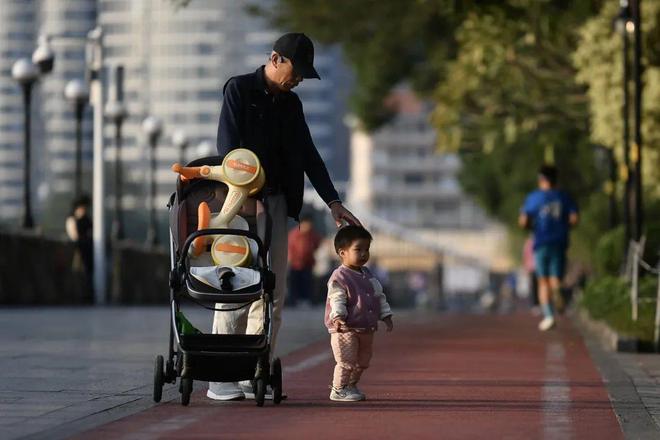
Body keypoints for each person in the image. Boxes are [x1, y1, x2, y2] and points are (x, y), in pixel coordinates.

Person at [208, 33, 361, 401]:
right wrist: (247, 194)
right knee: (237, 285)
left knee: (273, 290)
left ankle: (255, 370)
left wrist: (333, 201)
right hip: (239, 202)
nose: (298, 80)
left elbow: (308, 154)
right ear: (276, 59)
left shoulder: (291, 105)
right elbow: (227, 150)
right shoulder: (239, 90)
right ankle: (220, 376)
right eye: (296, 71)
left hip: (276, 204)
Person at [325, 225, 393, 402]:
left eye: (366, 249)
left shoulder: (368, 274)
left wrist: (385, 314)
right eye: (358, 249)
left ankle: (351, 385)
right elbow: (336, 298)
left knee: (363, 361)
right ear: (342, 253)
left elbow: (378, 295)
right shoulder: (339, 277)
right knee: (346, 361)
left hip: (366, 327)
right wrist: (338, 317)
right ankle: (338, 389)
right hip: (345, 328)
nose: (364, 254)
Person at [519, 165, 578, 331]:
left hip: (540, 242)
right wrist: (563, 225)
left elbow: (524, 221)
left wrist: (530, 225)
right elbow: (574, 219)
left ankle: (549, 316)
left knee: (542, 281)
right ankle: (558, 290)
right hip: (560, 241)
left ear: (541, 180)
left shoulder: (534, 198)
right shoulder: (564, 197)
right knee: (555, 278)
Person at [287, 213, 322, 307]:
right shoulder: (294, 234)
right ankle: (293, 301)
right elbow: (290, 248)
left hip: (308, 263)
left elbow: (317, 244)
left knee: (308, 283)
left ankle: (308, 301)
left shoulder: (313, 234)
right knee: (294, 284)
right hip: (295, 264)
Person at [65, 194, 93, 301]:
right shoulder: (72, 219)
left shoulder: (87, 219)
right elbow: (74, 235)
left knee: (87, 274)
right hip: (78, 250)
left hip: (88, 250)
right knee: (78, 273)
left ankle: (86, 295)